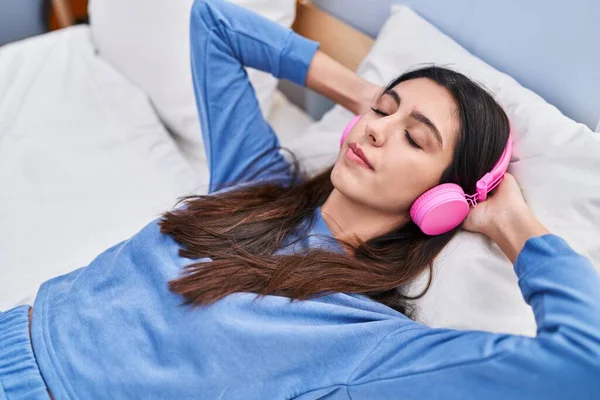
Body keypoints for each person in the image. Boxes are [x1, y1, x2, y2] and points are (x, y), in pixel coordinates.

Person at [1, 0, 599, 398]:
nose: (374, 129)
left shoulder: (361, 339)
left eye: (415, 138)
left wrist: (514, 224)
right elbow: (215, 23)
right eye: (380, 114)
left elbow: (582, 359)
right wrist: (369, 93)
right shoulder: (255, 186)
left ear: (442, 198)